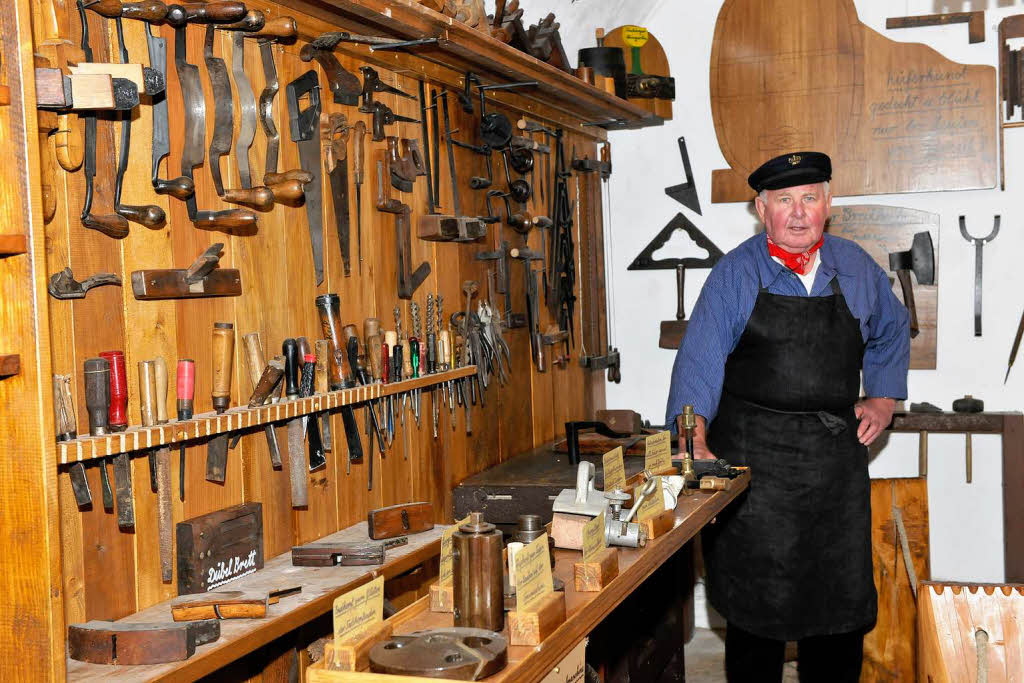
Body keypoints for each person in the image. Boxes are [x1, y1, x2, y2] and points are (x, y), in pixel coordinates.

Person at [665, 151, 910, 682]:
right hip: (754, 466)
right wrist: (692, 437)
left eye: (809, 198)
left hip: (833, 467)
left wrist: (884, 397)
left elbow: (893, 328)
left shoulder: (857, 268)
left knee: (837, 607)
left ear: (828, 203)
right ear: (761, 208)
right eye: (783, 201)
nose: (798, 213)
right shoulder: (735, 274)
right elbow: (698, 361)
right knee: (758, 612)